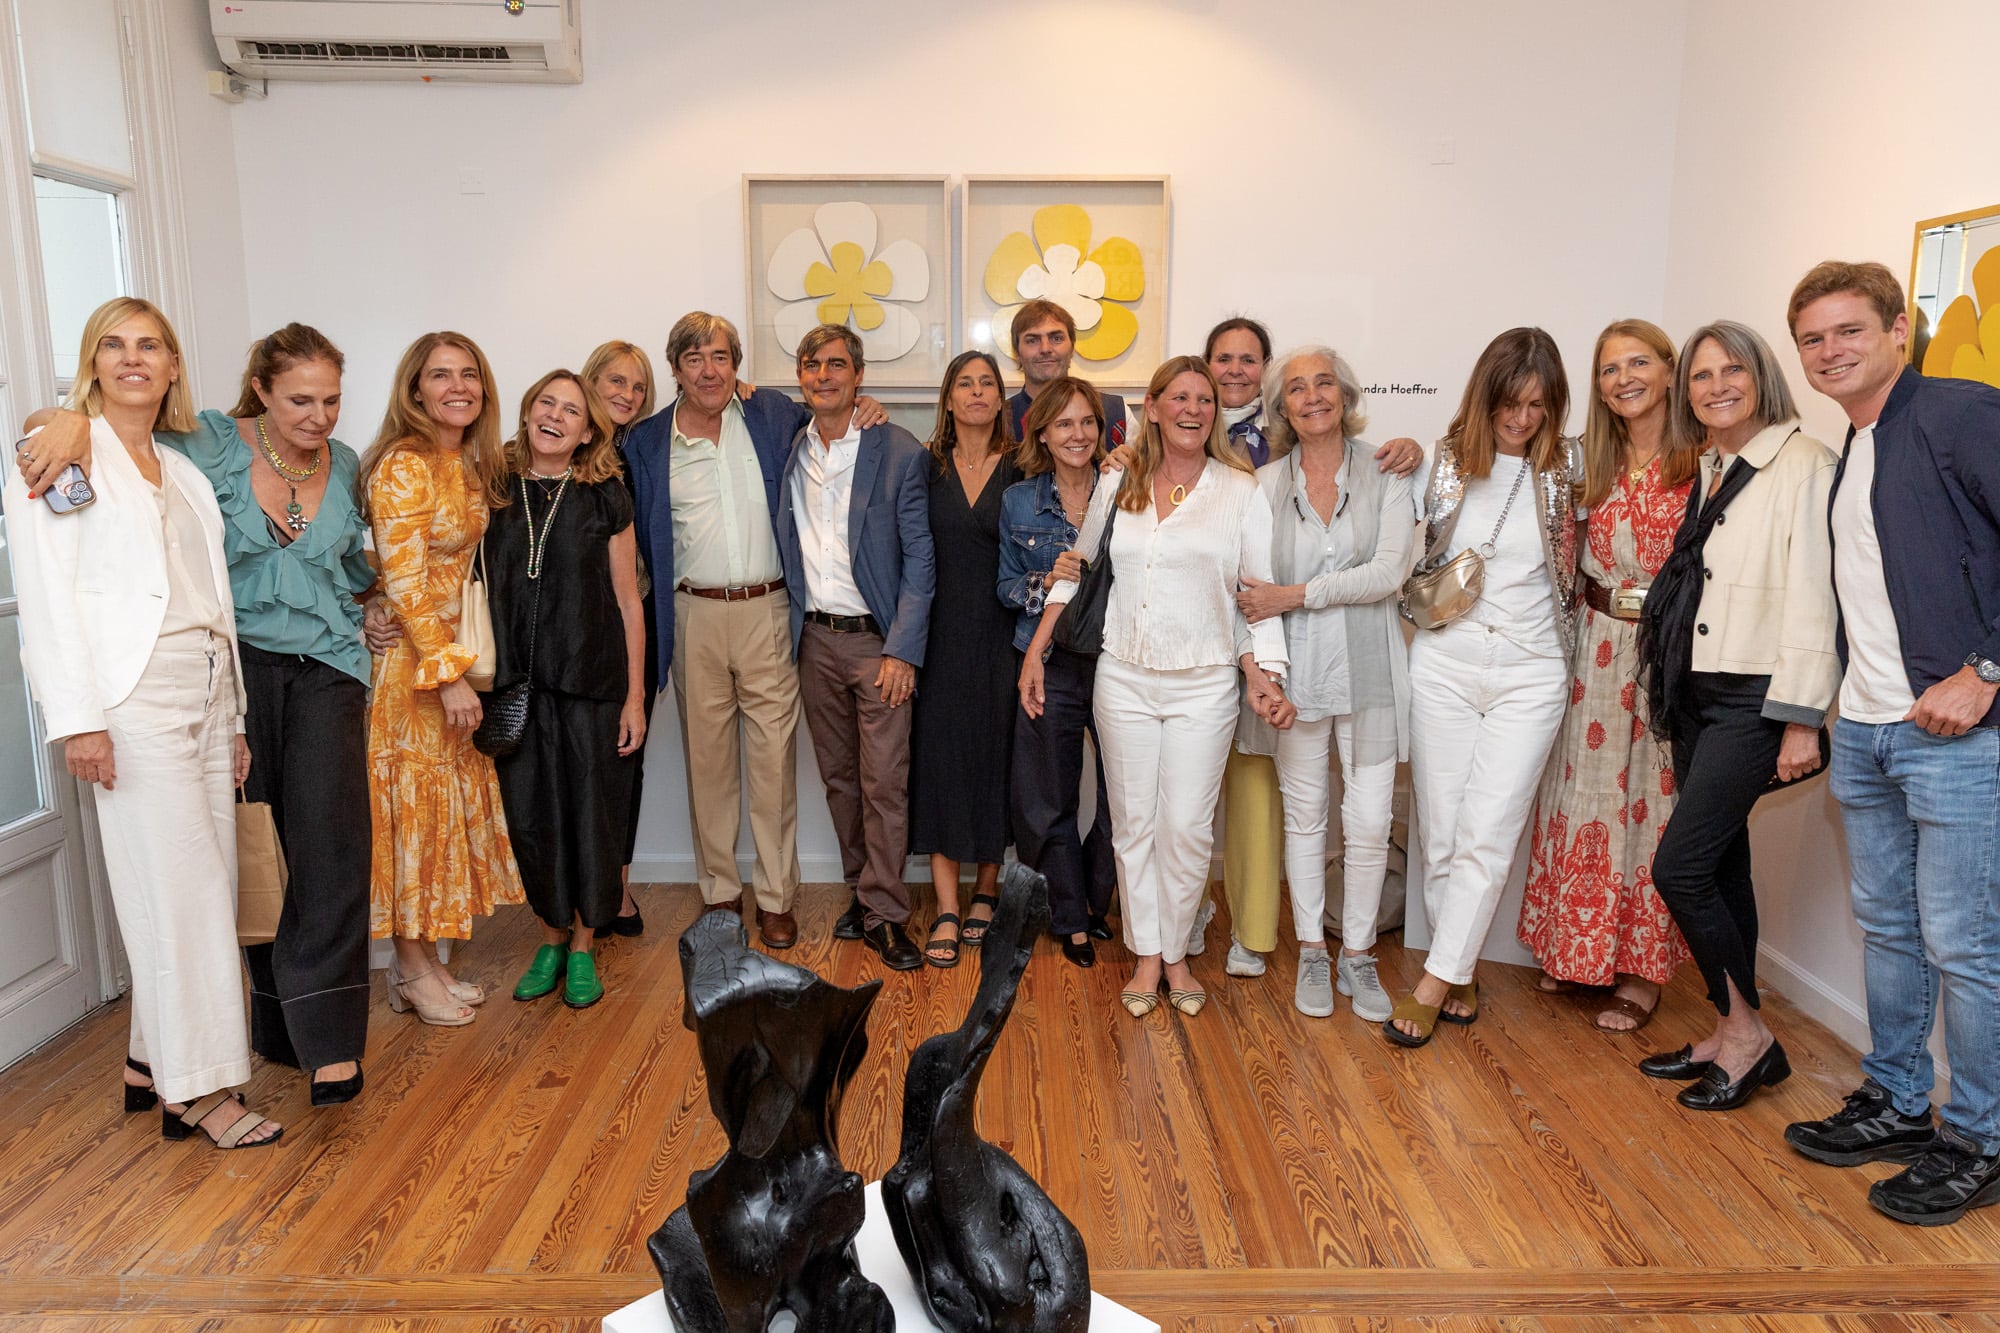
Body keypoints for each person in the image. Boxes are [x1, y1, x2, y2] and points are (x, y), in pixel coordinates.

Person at [17, 322, 376, 1105]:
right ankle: (258, 1032)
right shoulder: (208, 444)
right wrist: (61, 416)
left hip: (325, 672)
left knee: (331, 849)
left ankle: (331, 1042)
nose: (319, 416)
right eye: (300, 399)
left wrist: (372, 605)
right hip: (228, 670)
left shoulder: (346, 464)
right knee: (241, 860)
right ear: (261, 393)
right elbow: (111, 425)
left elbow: (354, 560)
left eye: (332, 400)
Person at [6, 297, 280, 1147]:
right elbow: (50, 601)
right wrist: (79, 720)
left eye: (151, 346)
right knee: (183, 891)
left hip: (202, 688)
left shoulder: (184, 471)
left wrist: (232, 713)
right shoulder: (58, 451)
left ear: (171, 367)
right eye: (116, 345)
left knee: (205, 884)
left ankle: (147, 1057)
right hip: (130, 698)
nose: (135, 359)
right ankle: (198, 1092)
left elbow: (215, 604)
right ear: (93, 362)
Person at [1781, 260, 2000, 1224]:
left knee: (1966, 943)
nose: (1831, 352)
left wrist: (1987, 669)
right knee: (1893, 930)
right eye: (1813, 339)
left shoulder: (1959, 414)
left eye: (1849, 332)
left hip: (1955, 732)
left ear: (1898, 331)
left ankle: (1980, 1137)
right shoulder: (1853, 447)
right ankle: (1901, 1099)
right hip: (1868, 728)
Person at [1034, 356, 1291, 1017]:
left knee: (1185, 827)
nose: (1193, 408)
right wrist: (1037, 650)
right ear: (1152, 406)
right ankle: (1148, 954)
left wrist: (1264, 672)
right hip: (1122, 675)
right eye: (1179, 397)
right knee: (1134, 825)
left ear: (1215, 412)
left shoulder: (1239, 491)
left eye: (1204, 399)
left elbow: (1254, 594)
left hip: (1205, 683)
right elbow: (1076, 567)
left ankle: (1177, 950)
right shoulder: (1119, 480)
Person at [622, 314, 887, 950]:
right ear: (676, 368)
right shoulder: (648, 442)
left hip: (769, 612)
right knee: (706, 765)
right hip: (694, 616)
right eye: (694, 358)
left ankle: (775, 898)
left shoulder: (770, 417)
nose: (708, 370)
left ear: (737, 364)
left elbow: (832, 414)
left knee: (772, 765)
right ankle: (719, 894)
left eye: (720, 356)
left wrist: (867, 405)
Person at [1635, 320, 1836, 1110]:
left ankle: (1750, 1032)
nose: (1715, 386)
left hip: (1758, 695)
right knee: (1721, 865)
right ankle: (1732, 1031)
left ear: (1762, 377)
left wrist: (1800, 718)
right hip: (1699, 689)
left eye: (1732, 371)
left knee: (1677, 867)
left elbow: (1818, 599)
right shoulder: (1714, 465)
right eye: (1700, 376)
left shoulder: (1804, 463)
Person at [1199, 317, 1425, 972]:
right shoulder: (1264, 487)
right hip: (1296, 676)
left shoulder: (1388, 468)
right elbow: (1252, 587)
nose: (1313, 396)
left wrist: (1294, 594)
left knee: (1370, 819)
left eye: (1324, 382)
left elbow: (1389, 574)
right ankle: (1310, 950)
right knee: (1304, 818)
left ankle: (1356, 951)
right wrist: (1272, 617)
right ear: (1281, 408)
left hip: (1373, 671)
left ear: (1346, 396)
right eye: (1296, 388)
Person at [1392, 328, 1579, 1048]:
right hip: (1444, 660)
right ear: (1486, 396)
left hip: (1531, 673)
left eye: (1538, 405)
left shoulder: (1569, 471)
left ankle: (1436, 980)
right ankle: (1460, 963)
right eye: (1510, 402)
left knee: (1488, 832)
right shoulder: (1440, 465)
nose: (1523, 419)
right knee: (1439, 829)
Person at [1519, 319, 1698, 1033]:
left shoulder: (1703, 459)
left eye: (1638, 363)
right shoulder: (1584, 460)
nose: (1623, 378)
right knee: (1581, 796)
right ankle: (1575, 950)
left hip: (1661, 651)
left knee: (1650, 810)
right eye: (1608, 368)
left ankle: (1637, 972)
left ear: (1668, 369)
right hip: (1592, 646)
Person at [360, 331, 524, 1025]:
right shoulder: (405, 465)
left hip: (449, 655)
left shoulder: (465, 461)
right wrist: (447, 674)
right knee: (410, 817)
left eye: (469, 375)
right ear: (415, 389)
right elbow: (401, 577)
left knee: (436, 814)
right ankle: (409, 966)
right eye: (440, 375)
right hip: (414, 671)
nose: (457, 385)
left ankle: (421, 964)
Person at [776, 324, 935, 970]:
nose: (823, 375)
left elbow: (922, 558)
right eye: (811, 365)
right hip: (813, 638)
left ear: (857, 375)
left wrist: (902, 649)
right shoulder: (790, 446)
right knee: (840, 780)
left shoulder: (896, 449)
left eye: (836, 365)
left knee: (884, 783)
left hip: (877, 646)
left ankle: (889, 915)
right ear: (801, 377)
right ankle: (862, 891)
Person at [489, 371, 647, 1008]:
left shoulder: (606, 494)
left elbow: (628, 600)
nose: (556, 416)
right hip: (517, 686)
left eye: (572, 411)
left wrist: (635, 697)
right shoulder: (492, 489)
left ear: (587, 432)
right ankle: (550, 935)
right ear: (528, 413)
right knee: (532, 819)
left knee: (592, 819)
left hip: (594, 684)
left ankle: (583, 944)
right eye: (546, 404)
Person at [908, 351, 1022, 965]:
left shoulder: (1026, 465)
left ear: (1001, 399)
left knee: (996, 760)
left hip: (1007, 639)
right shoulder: (923, 467)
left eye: (987, 384)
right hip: (939, 639)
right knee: (942, 764)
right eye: (964, 384)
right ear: (948, 399)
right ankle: (947, 905)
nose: (976, 393)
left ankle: (987, 891)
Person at [1007, 377, 1117, 968]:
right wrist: (1044, 582)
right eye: (1064, 424)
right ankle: (1069, 918)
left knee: (1121, 798)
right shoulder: (1019, 501)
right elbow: (1004, 585)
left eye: (1088, 423)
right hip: (1047, 662)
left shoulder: (1127, 493)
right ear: (1043, 433)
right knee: (1047, 796)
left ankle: (1097, 901)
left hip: (1119, 662)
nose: (1078, 434)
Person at [582, 339, 656, 936]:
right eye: (615, 382)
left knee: (625, 761)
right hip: (573, 631)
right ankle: (581, 894)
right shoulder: (561, 444)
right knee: (576, 766)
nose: (627, 395)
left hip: (635, 624)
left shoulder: (640, 449)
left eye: (637, 386)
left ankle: (619, 889)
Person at [1005, 299, 1128, 447]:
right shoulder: (999, 420)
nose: (1045, 349)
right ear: (1016, 351)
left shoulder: (1117, 412)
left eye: (1056, 338)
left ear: (1072, 347)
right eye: (1032, 340)